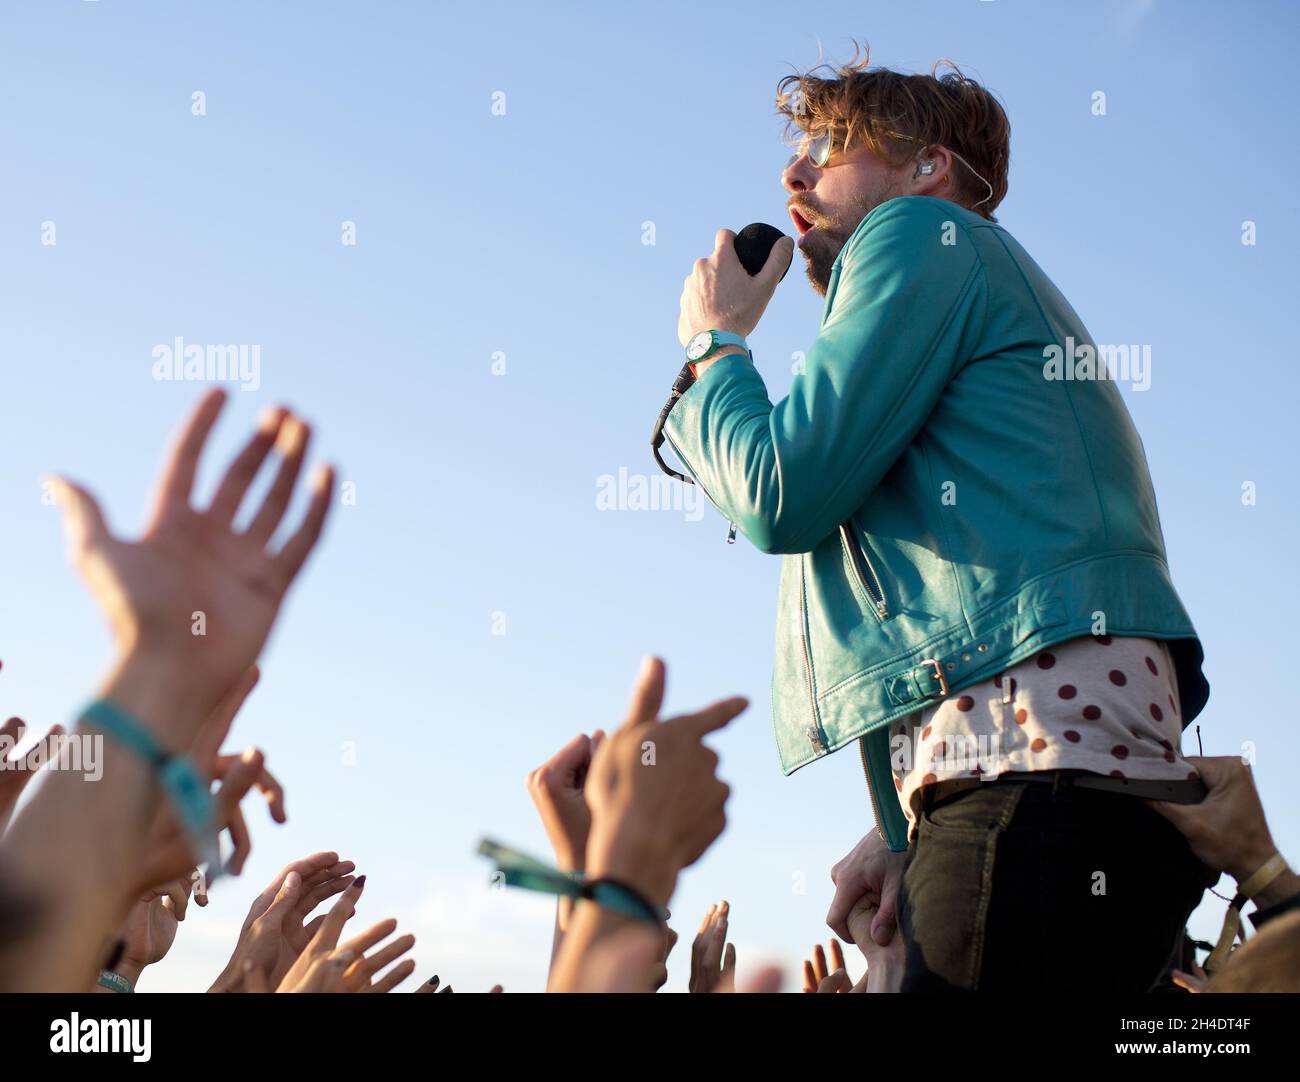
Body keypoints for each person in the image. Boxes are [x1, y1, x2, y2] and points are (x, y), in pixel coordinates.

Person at [662, 44, 1210, 991]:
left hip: (1027, 785)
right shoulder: (979, 290)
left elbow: (780, 490)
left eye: (832, 147)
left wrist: (715, 346)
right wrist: (904, 827)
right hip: (1083, 790)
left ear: (930, 171)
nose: (793, 172)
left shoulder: (921, 235)